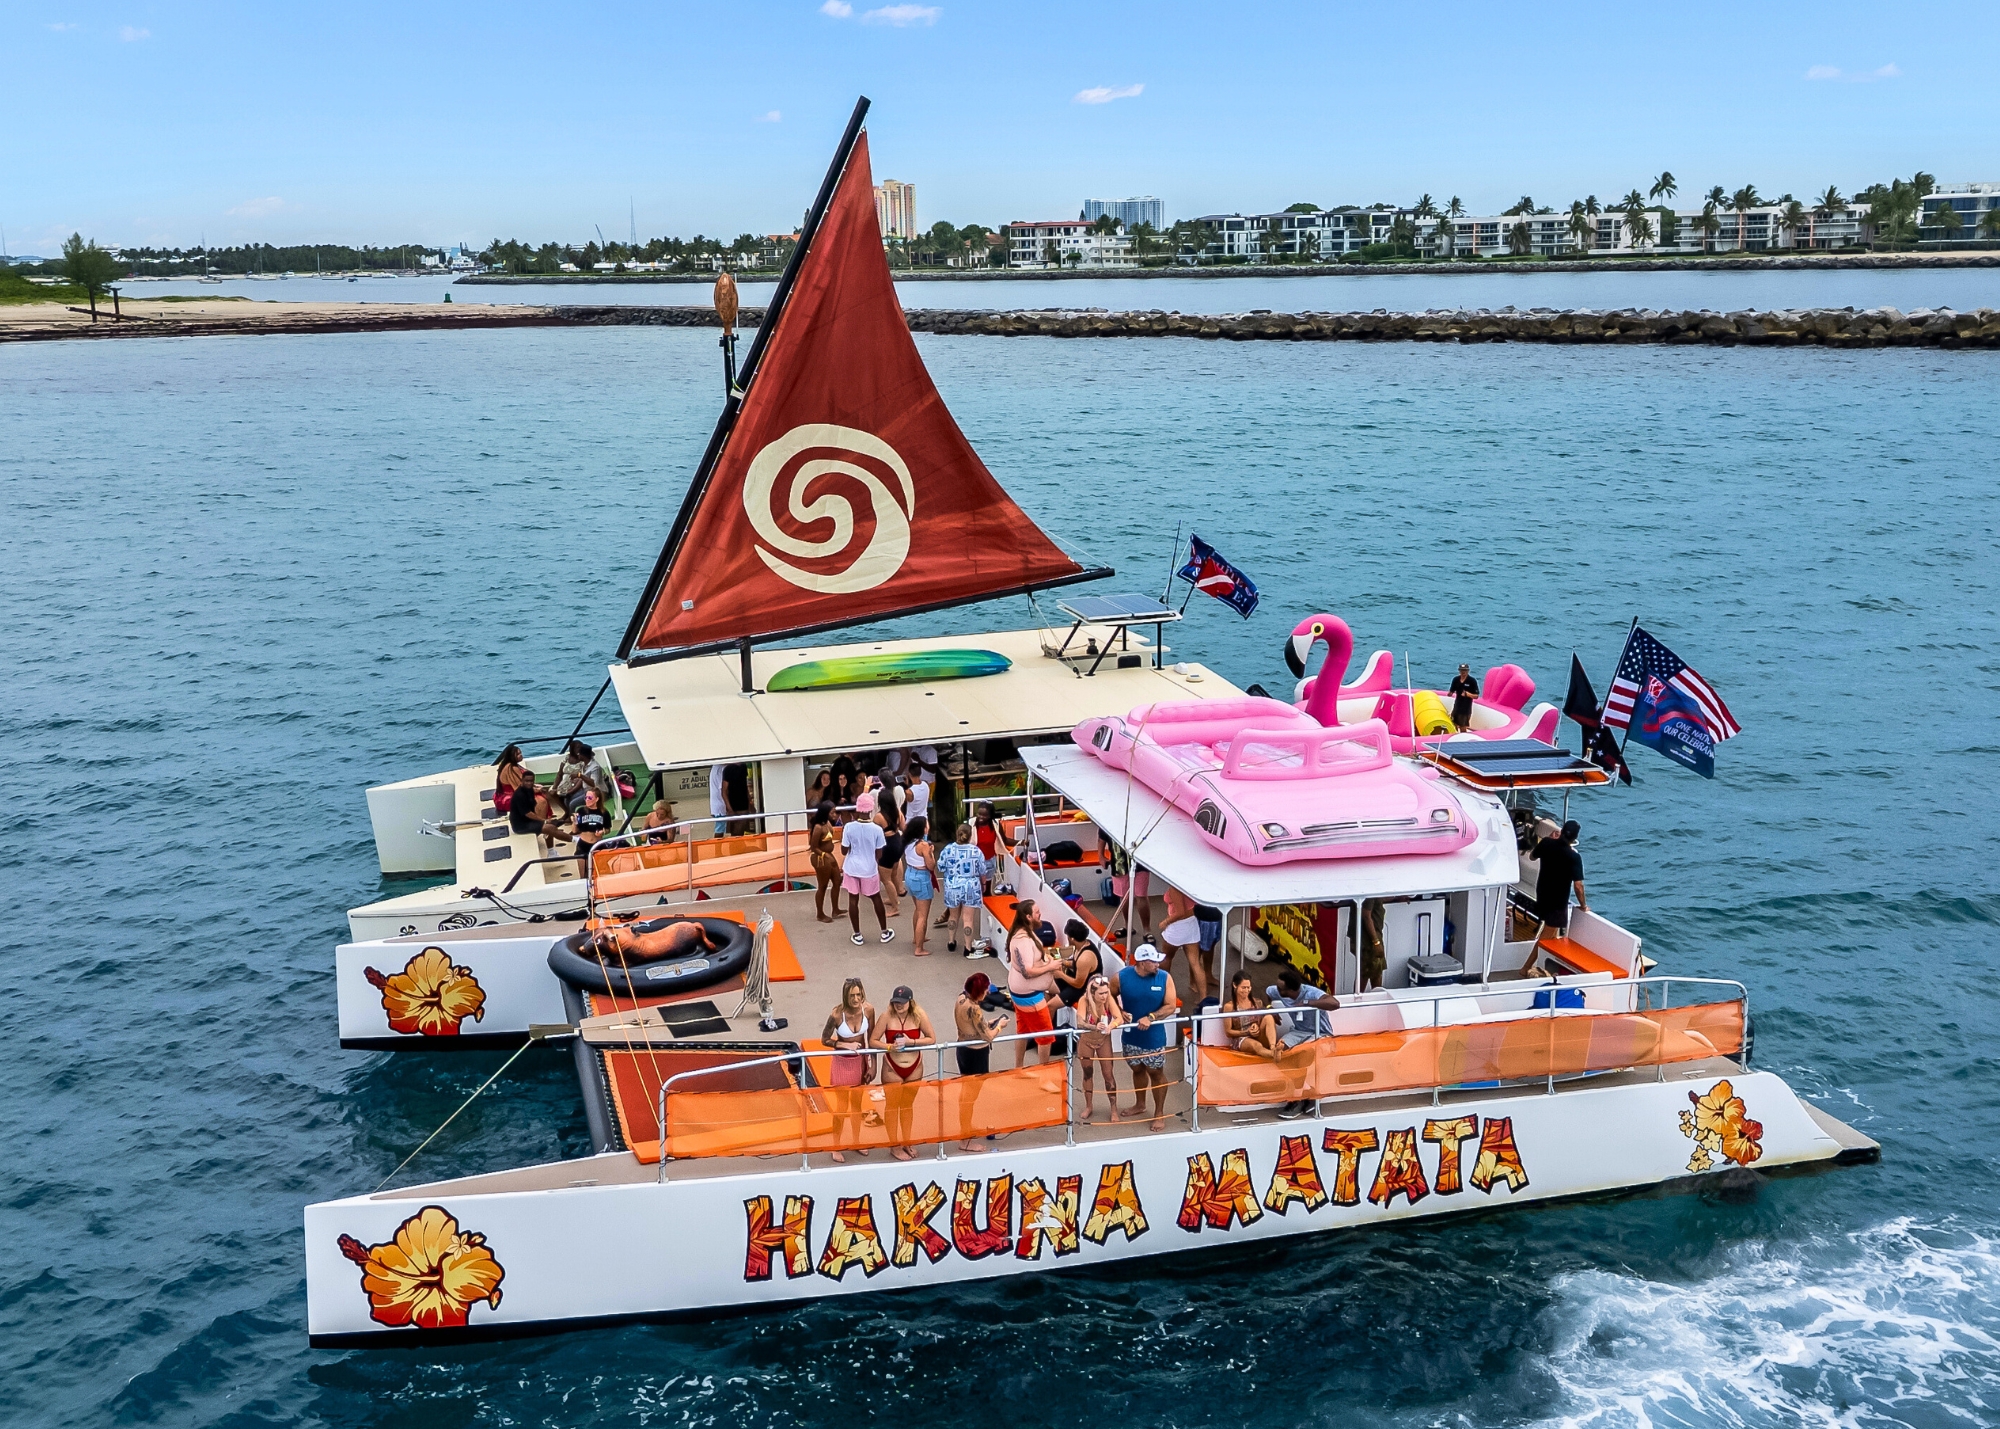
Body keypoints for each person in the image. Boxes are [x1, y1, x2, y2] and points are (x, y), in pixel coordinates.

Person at [1116, 943, 1180, 1132]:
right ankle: (1140, 1104)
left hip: (1154, 1037)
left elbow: (1170, 1005)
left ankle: (1159, 1113)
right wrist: (1119, 1011)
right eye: (1153, 961)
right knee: (1137, 1069)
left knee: (1156, 1073)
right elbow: (1109, 995)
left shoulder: (1164, 978)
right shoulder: (1121, 977)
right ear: (1142, 963)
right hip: (1131, 1036)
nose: (1158, 965)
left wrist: (1151, 1017)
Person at [872, 986, 936, 1161]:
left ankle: (907, 1141)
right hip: (892, 1066)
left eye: (902, 1003)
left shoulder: (919, 1015)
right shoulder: (886, 1017)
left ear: (910, 1002)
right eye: (896, 1003)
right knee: (892, 1106)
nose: (898, 1006)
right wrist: (889, 1046)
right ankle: (894, 1145)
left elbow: (931, 1038)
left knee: (907, 1106)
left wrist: (911, 1041)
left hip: (914, 1067)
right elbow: (873, 1040)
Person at [1266, 967, 1338, 1119]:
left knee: (1304, 1053)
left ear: (1290, 991)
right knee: (1279, 1051)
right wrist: (1270, 1010)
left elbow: (1334, 1003)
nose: (1277, 990)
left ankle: (1299, 1098)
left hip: (1321, 1034)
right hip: (1298, 1032)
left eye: (1281, 988)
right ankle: (1303, 1092)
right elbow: (1267, 993)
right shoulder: (1277, 991)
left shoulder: (1311, 993)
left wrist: (1307, 1003)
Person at [821, 978, 877, 1163]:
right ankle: (835, 1146)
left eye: (858, 994)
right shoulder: (837, 1015)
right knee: (841, 1107)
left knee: (857, 1104)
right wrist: (844, 1044)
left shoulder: (868, 1010)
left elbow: (873, 1038)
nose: (856, 999)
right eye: (852, 995)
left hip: (859, 1062)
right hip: (841, 1063)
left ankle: (856, 1141)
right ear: (846, 996)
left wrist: (872, 1064)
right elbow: (825, 1039)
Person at [952, 974, 1008, 1151]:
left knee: (967, 1096)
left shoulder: (961, 998)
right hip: (976, 1055)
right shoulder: (974, 1009)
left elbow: (973, 1026)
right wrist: (1000, 1027)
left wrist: (987, 1023)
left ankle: (966, 1131)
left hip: (963, 1048)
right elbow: (988, 1036)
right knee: (969, 1098)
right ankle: (965, 1140)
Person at [1004, 901, 1062, 1067]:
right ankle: (1043, 1072)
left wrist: (1046, 961)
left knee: (1022, 1030)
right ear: (1028, 916)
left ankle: (1018, 1067)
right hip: (1029, 997)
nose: (1040, 914)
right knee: (1045, 1036)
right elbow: (1028, 971)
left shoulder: (1022, 932)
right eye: (1037, 912)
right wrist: (1050, 966)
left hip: (1021, 992)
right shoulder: (1023, 940)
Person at [1073, 972, 1126, 1121]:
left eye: (1106, 993)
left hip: (1103, 1040)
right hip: (1086, 1040)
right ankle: (1089, 1106)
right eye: (1101, 993)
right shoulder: (1084, 1000)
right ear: (1092, 993)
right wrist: (1095, 1026)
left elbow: (1119, 1018)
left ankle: (1113, 1109)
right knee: (1087, 1073)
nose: (1104, 996)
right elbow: (1080, 1023)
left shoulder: (1108, 999)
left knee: (1108, 1074)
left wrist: (1111, 1025)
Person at [841, 799, 893, 945]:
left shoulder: (849, 827)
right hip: (869, 869)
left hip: (852, 868)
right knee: (876, 898)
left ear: (857, 809)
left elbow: (844, 851)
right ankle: (884, 932)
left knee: (853, 899)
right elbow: (879, 854)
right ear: (871, 810)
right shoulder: (877, 829)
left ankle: (857, 934)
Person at [1532, 820, 1588, 949]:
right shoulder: (1574, 857)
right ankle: (1526, 968)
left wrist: (1550, 840)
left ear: (1560, 832)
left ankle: (1542, 966)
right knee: (1545, 940)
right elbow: (1578, 886)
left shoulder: (1546, 843)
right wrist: (1583, 905)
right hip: (1557, 904)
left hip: (1542, 895)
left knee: (1551, 938)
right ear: (1575, 838)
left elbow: (1532, 857)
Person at [936, 825, 988, 957]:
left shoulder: (948, 849)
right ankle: (968, 947)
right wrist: (983, 884)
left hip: (953, 886)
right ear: (970, 836)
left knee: (953, 916)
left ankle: (951, 942)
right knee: (968, 919)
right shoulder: (976, 851)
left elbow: (940, 866)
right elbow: (983, 870)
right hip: (971, 886)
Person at [583, 917, 712, 963]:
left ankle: (690, 951)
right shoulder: (622, 941)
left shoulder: (624, 946)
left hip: (670, 939)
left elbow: (629, 933)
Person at [1160, 886, 1209, 1004]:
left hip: (1178, 926)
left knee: (1166, 958)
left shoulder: (1174, 888)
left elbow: (1180, 912)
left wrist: (1166, 922)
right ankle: (1203, 998)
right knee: (1196, 963)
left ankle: (1164, 992)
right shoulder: (1188, 884)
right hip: (1191, 923)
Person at [1101, 833, 1152, 941]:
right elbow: (1101, 836)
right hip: (1118, 863)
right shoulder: (1110, 819)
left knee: (1141, 895)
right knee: (1124, 897)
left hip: (1140, 863)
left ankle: (1147, 930)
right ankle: (1128, 927)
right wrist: (1100, 856)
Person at [1220, 972, 1281, 1059]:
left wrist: (1255, 1027)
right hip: (1241, 1038)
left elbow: (1262, 1021)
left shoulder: (1257, 1002)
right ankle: (1273, 1055)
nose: (1246, 991)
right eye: (1243, 988)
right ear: (1234, 985)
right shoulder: (1229, 1007)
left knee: (1269, 1017)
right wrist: (1247, 1032)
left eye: (1248, 988)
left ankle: (1273, 1047)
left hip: (1258, 1034)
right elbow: (1228, 1032)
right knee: (1256, 1045)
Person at [901, 816, 936, 954]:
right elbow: (931, 866)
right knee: (923, 915)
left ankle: (917, 938)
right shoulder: (924, 846)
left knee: (917, 910)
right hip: (921, 878)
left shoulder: (908, 841)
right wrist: (931, 853)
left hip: (910, 873)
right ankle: (919, 948)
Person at [809, 801, 843, 922]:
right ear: (825, 813)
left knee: (837, 881)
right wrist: (824, 855)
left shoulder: (828, 823)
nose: (835, 814)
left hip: (829, 855)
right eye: (832, 812)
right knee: (822, 886)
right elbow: (813, 847)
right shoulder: (818, 827)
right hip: (821, 858)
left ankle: (835, 909)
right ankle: (820, 914)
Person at [554, 740, 610, 814]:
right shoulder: (585, 764)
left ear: (583, 756)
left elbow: (594, 784)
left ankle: (575, 820)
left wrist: (580, 776)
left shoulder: (595, 767)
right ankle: (569, 816)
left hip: (598, 793)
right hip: (587, 790)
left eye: (579, 754)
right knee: (567, 798)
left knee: (572, 804)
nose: (578, 755)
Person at [874, 795, 905, 919]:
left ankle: (894, 907)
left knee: (886, 879)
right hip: (897, 841)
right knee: (893, 873)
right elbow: (903, 827)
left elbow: (875, 834)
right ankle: (893, 898)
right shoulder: (898, 812)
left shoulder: (879, 817)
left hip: (887, 845)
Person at [571, 785, 611, 865]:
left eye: (590, 798)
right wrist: (574, 822)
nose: (587, 800)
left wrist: (602, 832)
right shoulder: (581, 811)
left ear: (597, 799)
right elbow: (574, 830)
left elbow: (608, 829)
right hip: (583, 844)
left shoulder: (604, 813)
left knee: (599, 870)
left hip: (597, 844)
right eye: (586, 798)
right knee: (583, 874)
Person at [493, 745, 529, 813]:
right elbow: (518, 788)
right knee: (539, 798)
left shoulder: (509, 765)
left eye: (520, 753)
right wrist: (537, 790)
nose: (521, 755)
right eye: (518, 754)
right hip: (508, 800)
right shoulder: (512, 768)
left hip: (501, 797)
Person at [973, 803, 1000, 892]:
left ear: (990, 816)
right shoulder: (972, 825)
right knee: (975, 889)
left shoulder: (995, 826)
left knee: (987, 890)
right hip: (974, 862)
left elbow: (1005, 840)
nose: (980, 817)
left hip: (989, 861)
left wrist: (1021, 842)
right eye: (979, 814)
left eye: (984, 815)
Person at [1449, 664, 1481, 733]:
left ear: (1468, 671)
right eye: (1461, 670)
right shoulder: (1456, 679)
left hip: (1465, 708)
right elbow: (1451, 691)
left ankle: (1462, 740)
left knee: (1462, 727)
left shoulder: (1472, 681)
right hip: (1457, 706)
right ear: (1459, 671)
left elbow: (1476, 696)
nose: (1463, 672)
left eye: (1465, 670)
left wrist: (1468, 694)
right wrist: (1449, 694)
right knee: (1453, 723)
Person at [708, 762, 729, 836]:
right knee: (720, 829)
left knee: (720, 827)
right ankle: (717, 847)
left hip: (717, 803)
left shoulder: (715, 767)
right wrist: (728, 806)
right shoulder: (721, 769)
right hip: (720, 803)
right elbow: (723, 789)